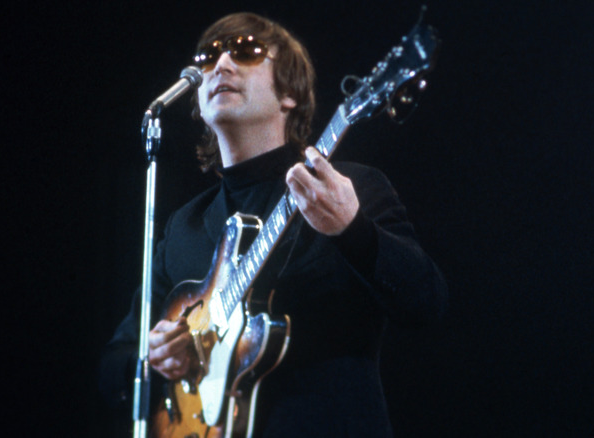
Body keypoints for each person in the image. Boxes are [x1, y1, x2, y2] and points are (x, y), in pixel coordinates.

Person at [100, 12, 447, 437]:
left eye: (246, 51)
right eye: (208, 57)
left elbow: (426, 303)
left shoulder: (348, 188)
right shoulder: (184, 227)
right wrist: (155, 359)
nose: (221, 64)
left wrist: (353, 229)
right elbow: (115, 361)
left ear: (290, 94)